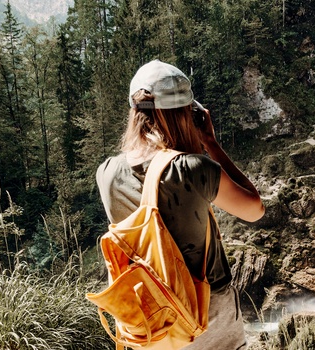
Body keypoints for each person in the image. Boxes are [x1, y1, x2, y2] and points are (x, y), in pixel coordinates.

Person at [96, 59, 265, 350]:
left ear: (134, 112)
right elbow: (254, 209)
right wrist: (211, 144)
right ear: (186, 113)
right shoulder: (192, 169)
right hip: (206, 313)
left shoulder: (107, 172)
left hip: (149, 316)